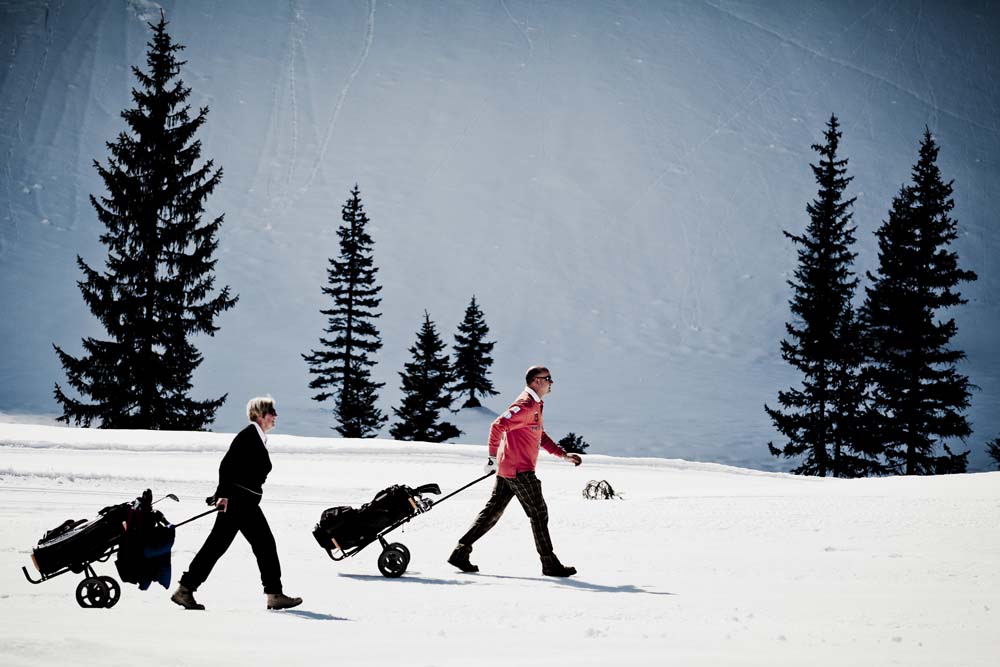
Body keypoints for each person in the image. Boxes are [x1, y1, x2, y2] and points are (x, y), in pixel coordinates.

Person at [448, 365, 582, 577]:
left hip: (510, 467)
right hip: (520, 470)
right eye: (548, 378)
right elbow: (497, 425)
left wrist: (562, 455)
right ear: (536, 381)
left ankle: (460, 552)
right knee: (538, 513)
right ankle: (549, 563)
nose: (551, 382)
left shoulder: (535, 405)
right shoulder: (526, 405)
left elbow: (540, 435)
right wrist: (492, 458)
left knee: (492, 512)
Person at [171, 397, 302, 610]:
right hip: (239, 502)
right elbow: (227, 466)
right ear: (260, 414)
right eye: (272, 412)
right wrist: (222, 495)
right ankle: (274, 594)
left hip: (242, 501)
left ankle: (185, 589)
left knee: (218, 546)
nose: (275, 416)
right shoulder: (248, 436)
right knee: (262, 545)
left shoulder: (256, 437)